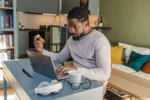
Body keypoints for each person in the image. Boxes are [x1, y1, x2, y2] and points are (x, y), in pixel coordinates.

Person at [34, 7, 111, 93]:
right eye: (69, 27)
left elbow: (105, 74)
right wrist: (42, 51)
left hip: (94, 84)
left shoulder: (100, 41)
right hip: (74, 79)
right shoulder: (72, 39)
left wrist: (76, 70)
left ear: (85, 23)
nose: (71, 30)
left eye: (74, 27)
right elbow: (60, 57)